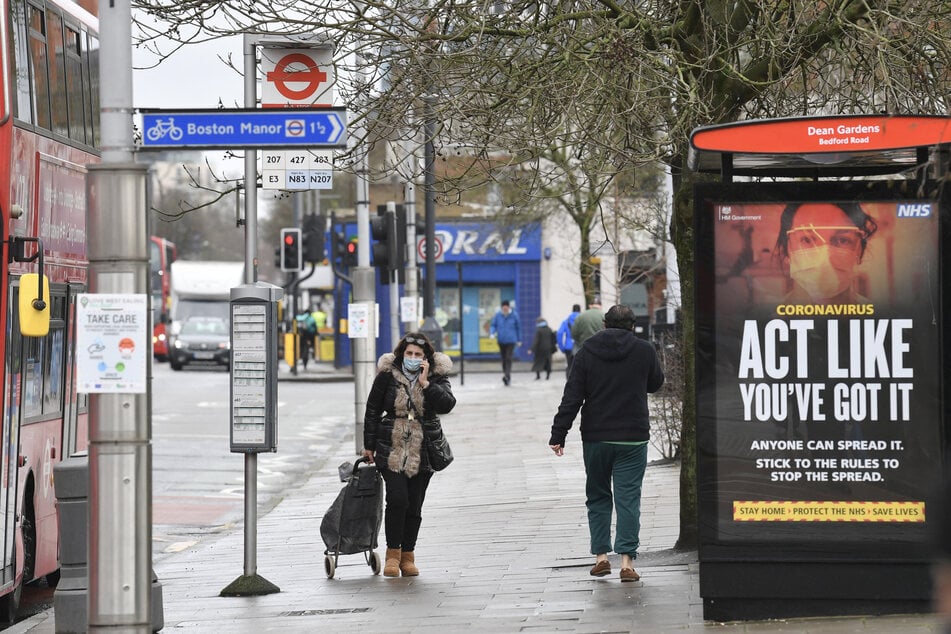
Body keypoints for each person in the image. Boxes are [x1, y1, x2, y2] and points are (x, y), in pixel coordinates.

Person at [549, 304, 664, 582]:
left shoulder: (587, 351)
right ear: (632, 325)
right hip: (633, 437)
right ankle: (626, 563)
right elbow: (656, 384)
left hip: (597, 435)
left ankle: (601, 557)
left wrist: (558, 433)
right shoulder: (644, 350)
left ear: (604, 323)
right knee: (628, 498)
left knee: (598, 495)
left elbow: (573, 396)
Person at [363, 332, 456, 577]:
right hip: (391, 443)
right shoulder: (386, 376)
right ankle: (393, 554)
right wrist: (368, 445)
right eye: (409, 354)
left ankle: (408, 556)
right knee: (397, 498)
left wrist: (426, 383)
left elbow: (447, 405)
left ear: (426, 358)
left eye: (418, 355)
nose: (413, 358)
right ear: (401, 354)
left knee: (414, 503)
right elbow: (372, 409)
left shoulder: (436, 377)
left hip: (423, 446)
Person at [774, 201, 878, 304]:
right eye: (807, 240)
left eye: (842, 240)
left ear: (859, 251)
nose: (825, 258)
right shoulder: (769, 319)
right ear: (787, 249)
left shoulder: (878, 317)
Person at [489, 300, 521, 386]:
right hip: (501, 341)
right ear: (502, 307)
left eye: (506, 307)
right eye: (503, 307)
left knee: (508, 358)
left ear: (509, 307)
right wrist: (492, 333)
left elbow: (518, 328)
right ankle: (506, 376)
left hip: (511, 340)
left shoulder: (514, 315)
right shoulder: (498, 315)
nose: (505, 309)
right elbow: (493, 325)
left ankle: (507, 376)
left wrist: (519, 340)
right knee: (503, 359)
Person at [557, 304, 582, 378]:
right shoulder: (583, 320)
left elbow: (559, 333)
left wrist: (562, 347)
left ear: (572, 310)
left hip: (569, 346)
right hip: (580, 346)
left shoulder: (566, 321)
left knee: (570, 366)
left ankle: (569, 382)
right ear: (580, 310)